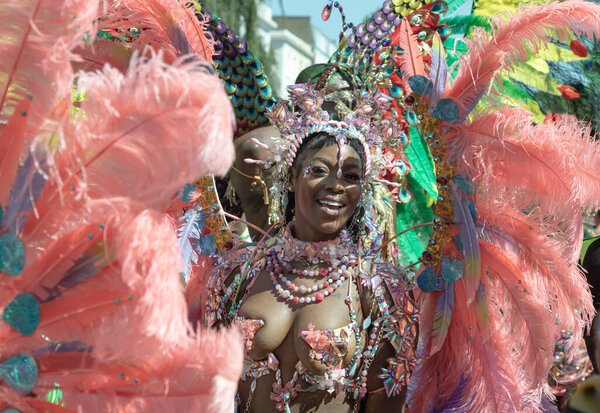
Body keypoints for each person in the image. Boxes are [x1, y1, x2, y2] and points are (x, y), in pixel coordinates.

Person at [207, 83, 417, 412]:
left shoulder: (380, 289)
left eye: (351, 175)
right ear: (291, 177)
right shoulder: (237, 273)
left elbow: (385, 402)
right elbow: (208, 389)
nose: (336, 185)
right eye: (318, 170)